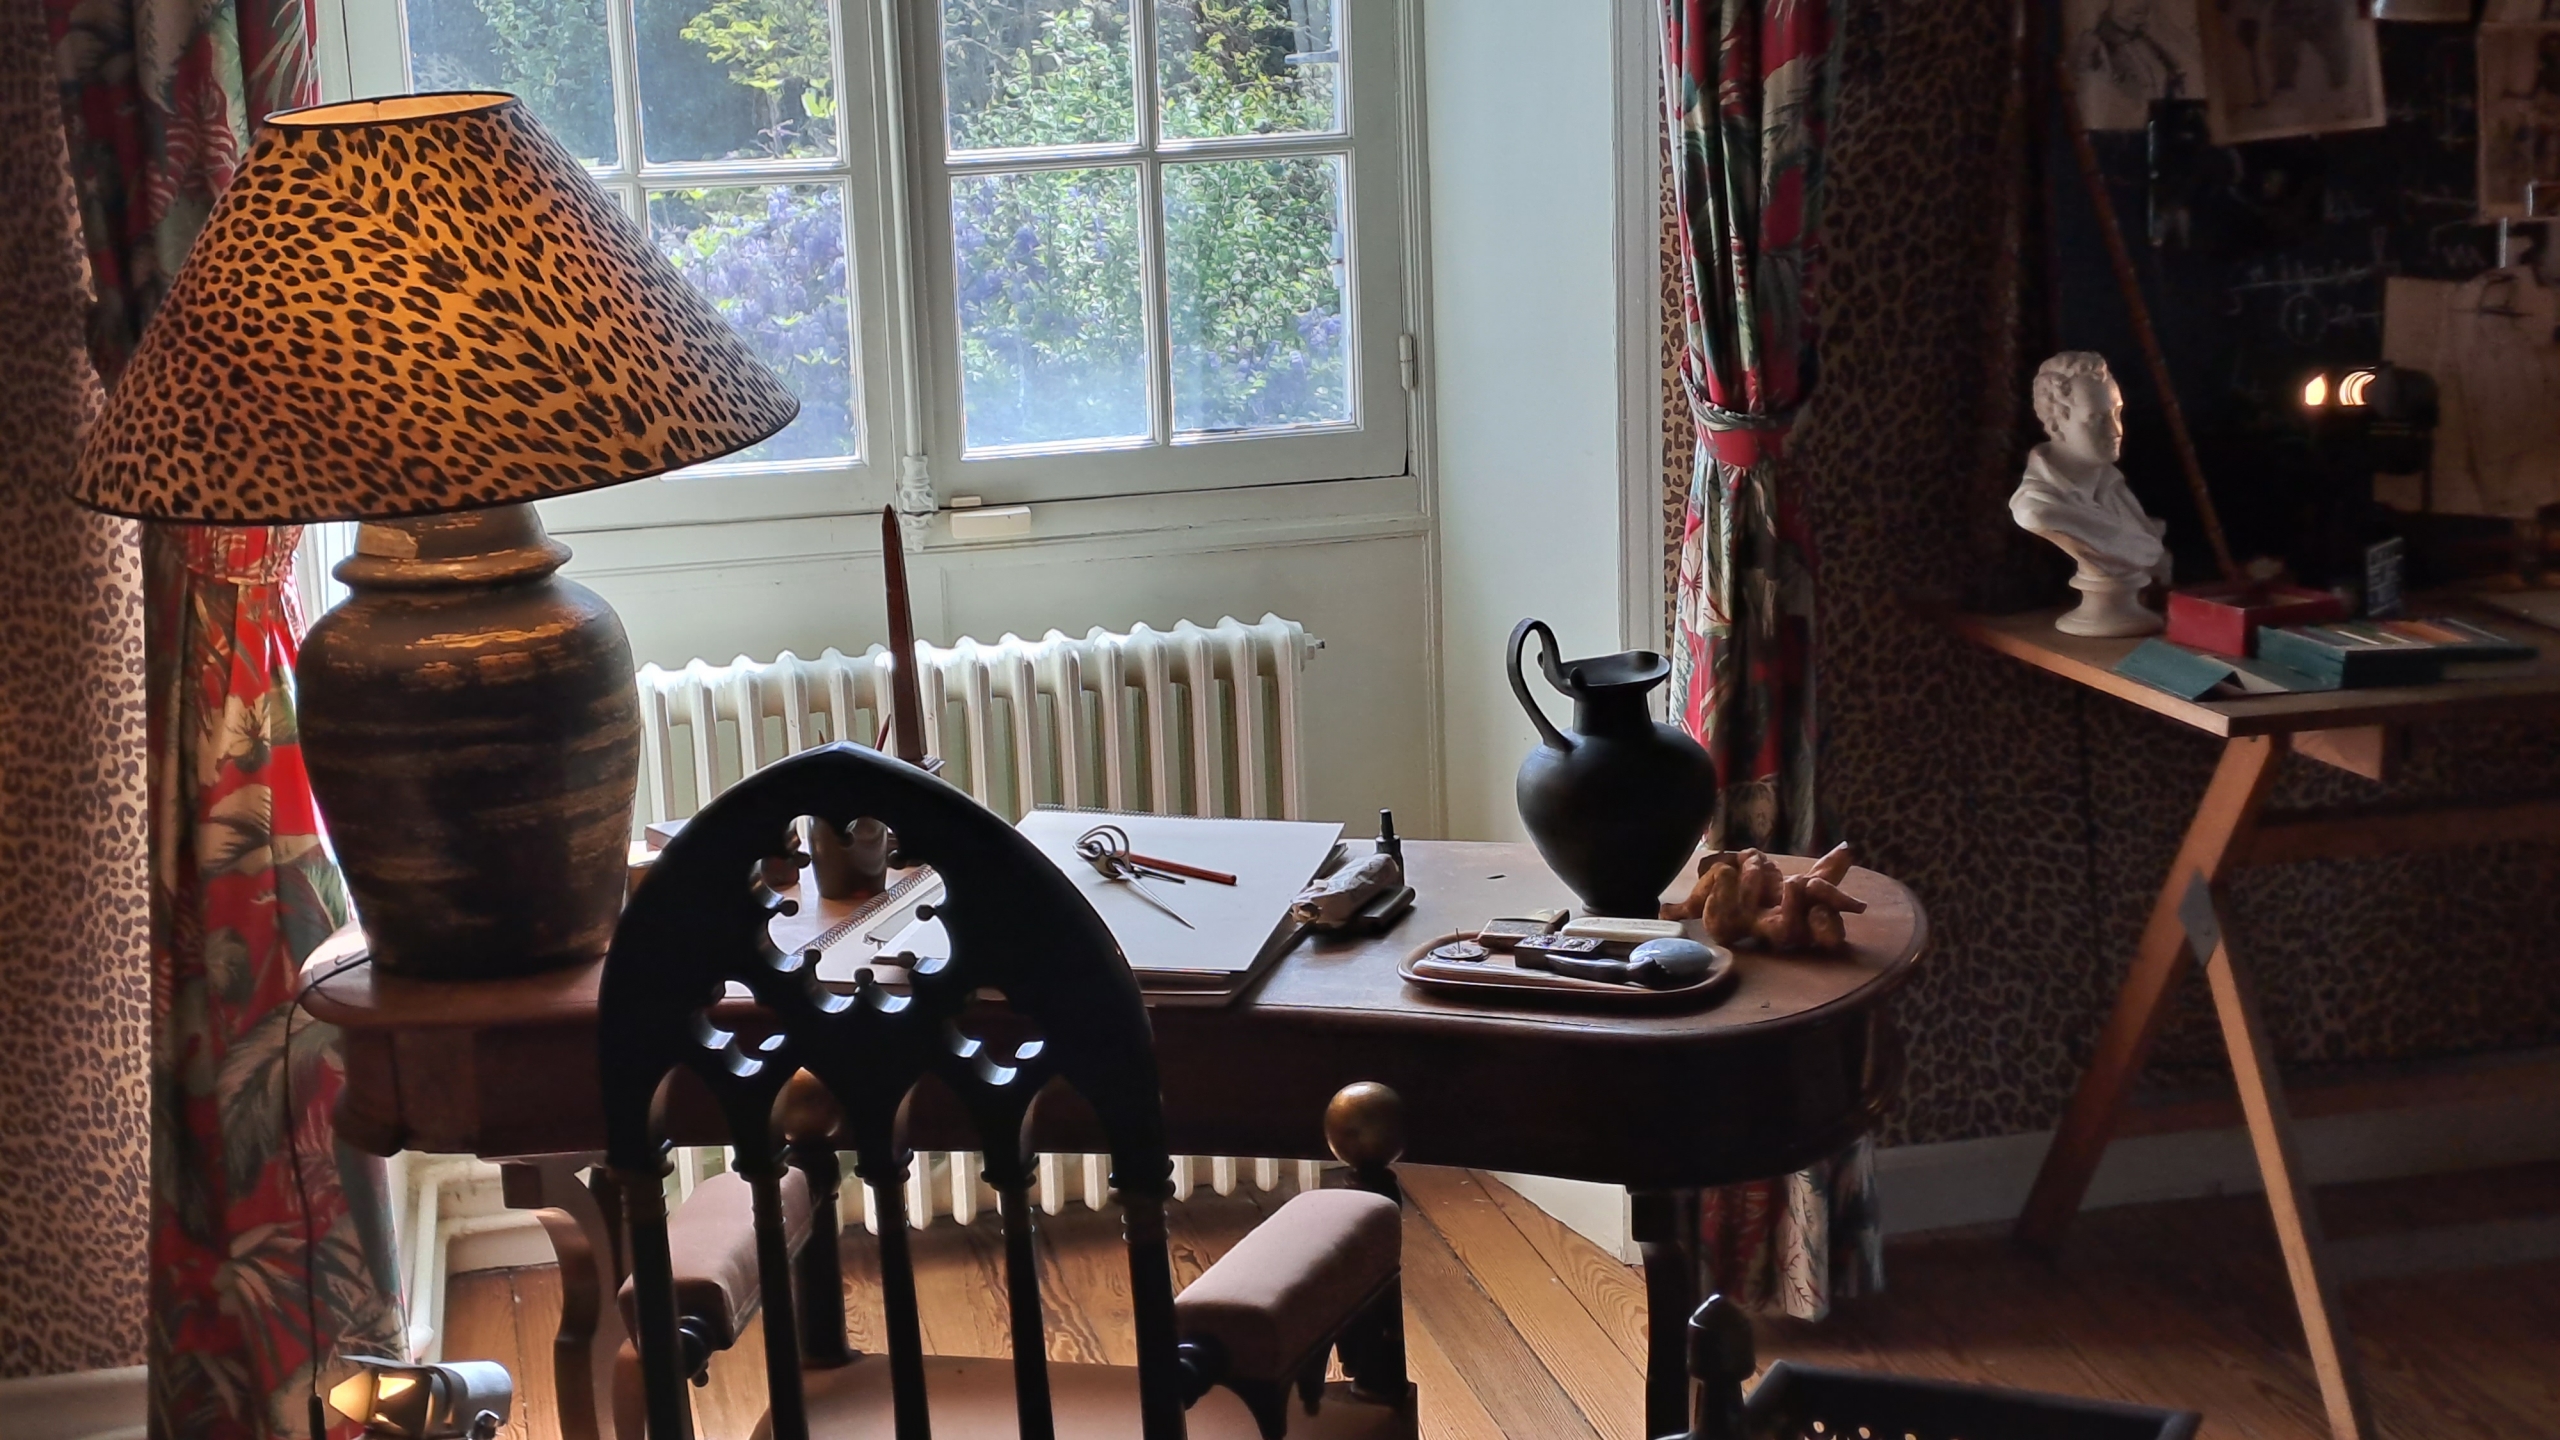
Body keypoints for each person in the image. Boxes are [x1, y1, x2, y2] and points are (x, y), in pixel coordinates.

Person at [2014, 351, 2173, 636]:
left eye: (2117, 413)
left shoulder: (2113, 486)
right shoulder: (2039, 508)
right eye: (2096, 419)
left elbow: (2146, 548)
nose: (2115, 430)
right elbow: (2143, 549)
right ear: (2056, 424)